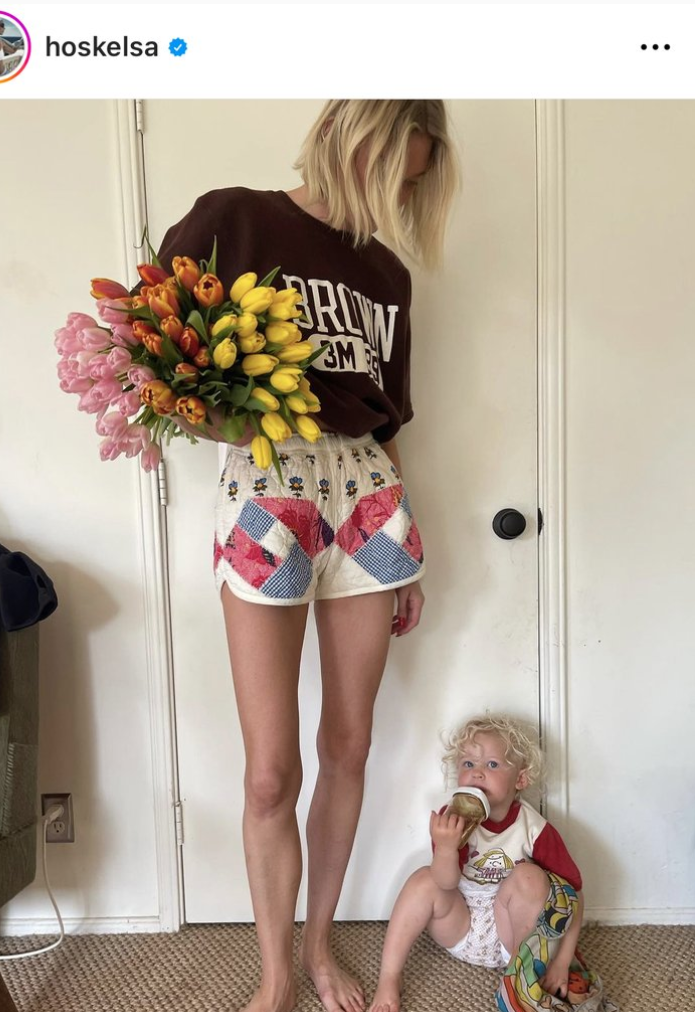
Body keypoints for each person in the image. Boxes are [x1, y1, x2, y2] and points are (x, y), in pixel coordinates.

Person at [153, 100, 458, 1012]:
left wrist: (408, 546)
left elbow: (388, 418)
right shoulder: (234, 220)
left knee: (349, 744)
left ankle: (320, 949)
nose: (391, 198)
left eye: (409, 183)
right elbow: (162, 362)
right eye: (390, 172)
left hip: (370, 494)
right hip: (267, 486)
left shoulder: (387, 273)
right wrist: (222, 419)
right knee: (269, 774)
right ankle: (275, 974)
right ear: (350, 138)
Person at [368, 715, 584, 1012]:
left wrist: (562, 959)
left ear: (520, 779)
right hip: (461, 927)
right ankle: (389, 977)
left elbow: (572, 893)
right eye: (468, 763)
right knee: (424, 879)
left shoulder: (533, 828)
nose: (477, 773)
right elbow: (445, 883)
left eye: (492, 764)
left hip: (515, 939)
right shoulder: (453, 818)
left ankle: (521, 978)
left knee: (531, 877)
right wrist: (446, 847)